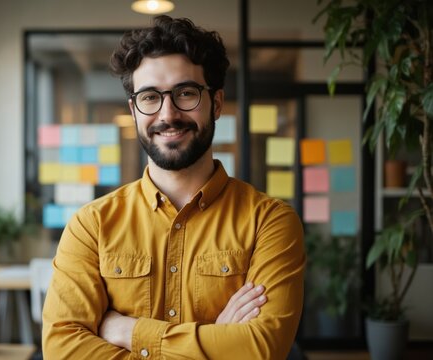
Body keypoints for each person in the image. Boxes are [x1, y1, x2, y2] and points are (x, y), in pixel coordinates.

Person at [42, 15, 305, 359]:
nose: (168, 114)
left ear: (217, 103)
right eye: (150, 97)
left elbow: (261, 348)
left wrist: (128, 331)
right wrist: (216, 339)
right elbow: (62, 349)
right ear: (134, 110)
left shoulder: (269, 223)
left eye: (185, 93)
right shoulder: (91, 226)